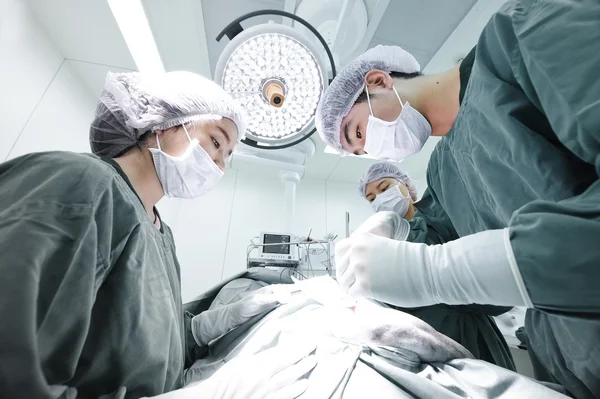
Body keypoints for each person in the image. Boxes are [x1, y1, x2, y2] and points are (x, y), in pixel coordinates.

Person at [316, 0, 600, 397]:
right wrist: (400, 235)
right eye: (362, 154)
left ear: (379, 81)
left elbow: (450, 267)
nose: (374, 153)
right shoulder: (445, 171)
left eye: (358, 133)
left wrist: (431, 272)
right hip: (573, 368)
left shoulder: (520, 36)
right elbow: (470, 295)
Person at [0, 71, 315, 398]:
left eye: (227, 157)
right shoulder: (82, 184)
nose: (219, 165)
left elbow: (147, 351)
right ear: (164, 124)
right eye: (217, 141)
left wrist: (202, 328)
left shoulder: (161, 235)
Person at [356, 162, 515, 370]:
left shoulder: (441, 213)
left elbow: (479, 266)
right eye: (372, 198)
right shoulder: (384, 239)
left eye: (384, 188)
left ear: (405, 185)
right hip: (418, 337)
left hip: (467, 330)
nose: (380, 198)